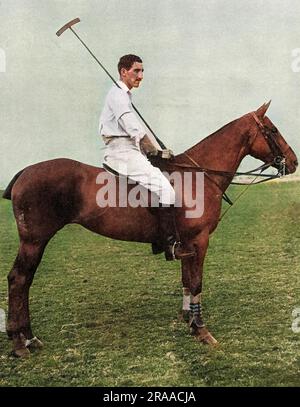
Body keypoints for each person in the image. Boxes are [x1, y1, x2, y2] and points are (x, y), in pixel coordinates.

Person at [99, 54, 194, 261]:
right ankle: (169, 245)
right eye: (136, 71)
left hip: (129, 150)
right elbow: (134, 129)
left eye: (142, 71)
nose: (140, 76)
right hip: (122, 152)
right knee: (167, 191)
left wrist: (155, 151)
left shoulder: (122, 95)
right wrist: (154, 150)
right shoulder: (118, 95)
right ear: (123, 72)